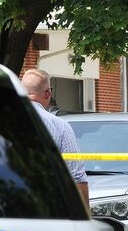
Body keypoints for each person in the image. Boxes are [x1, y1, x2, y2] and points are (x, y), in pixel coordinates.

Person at [21, 69, 89, 204]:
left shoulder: (1, 120)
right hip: (48, 207)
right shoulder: (60, 126)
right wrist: (86, 217)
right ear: (48, 93)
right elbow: (77, 177)